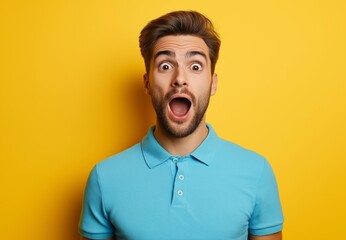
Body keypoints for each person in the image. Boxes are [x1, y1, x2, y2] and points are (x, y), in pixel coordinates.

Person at [79, 10, 284, 240]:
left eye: (195, 66)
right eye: (165, 66)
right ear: (147, 83)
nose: (180, 78)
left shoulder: (256, 173)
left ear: (212, 83)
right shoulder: (104, 178)